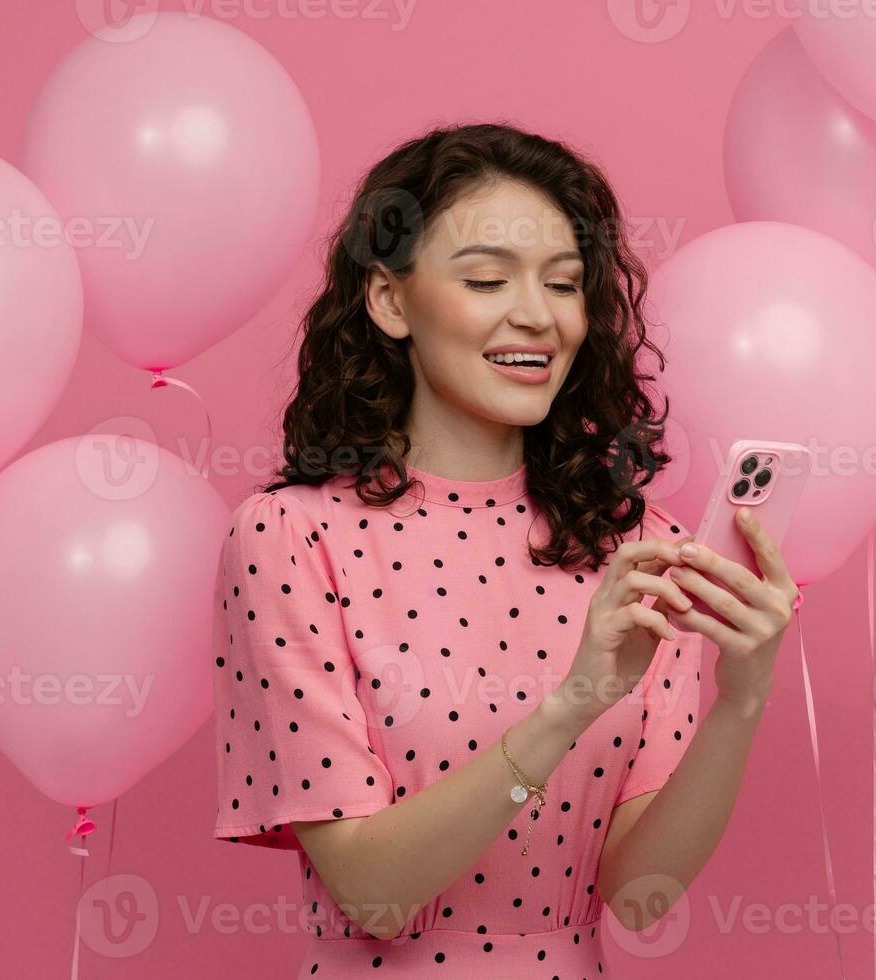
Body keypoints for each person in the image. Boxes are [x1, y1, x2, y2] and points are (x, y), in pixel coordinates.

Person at [211, 122, 799, 978]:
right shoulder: (293, 538)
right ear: (389, 300)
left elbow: (639, 897)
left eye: (564, 284)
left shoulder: (641, 551)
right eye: (487, 278)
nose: (536, 314)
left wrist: (743, 698)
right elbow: (372, 892)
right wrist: (573, 703)